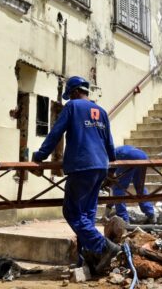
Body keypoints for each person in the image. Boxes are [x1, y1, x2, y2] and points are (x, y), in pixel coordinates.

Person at [31, 76, 119, 274]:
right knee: (86, 215)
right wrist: (112, 166)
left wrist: (40, 155)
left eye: (70, 95)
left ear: (74, 92)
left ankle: (103, 247)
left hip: (82, 165)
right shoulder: (101, 111)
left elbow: (56, 133)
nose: (69, 98)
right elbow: (109, 142)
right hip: (100, 166)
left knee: (72, 212)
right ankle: (86, 260)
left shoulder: (72, 106)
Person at [108, 145, 156, 224]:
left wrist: (110, 182)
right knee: (140, 186)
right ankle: (151, 214)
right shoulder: (118, 150)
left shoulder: (110, 155)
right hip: (143, 155)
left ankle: (123, 218)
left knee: (119, 188)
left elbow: (110, 173)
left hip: (128, 156)